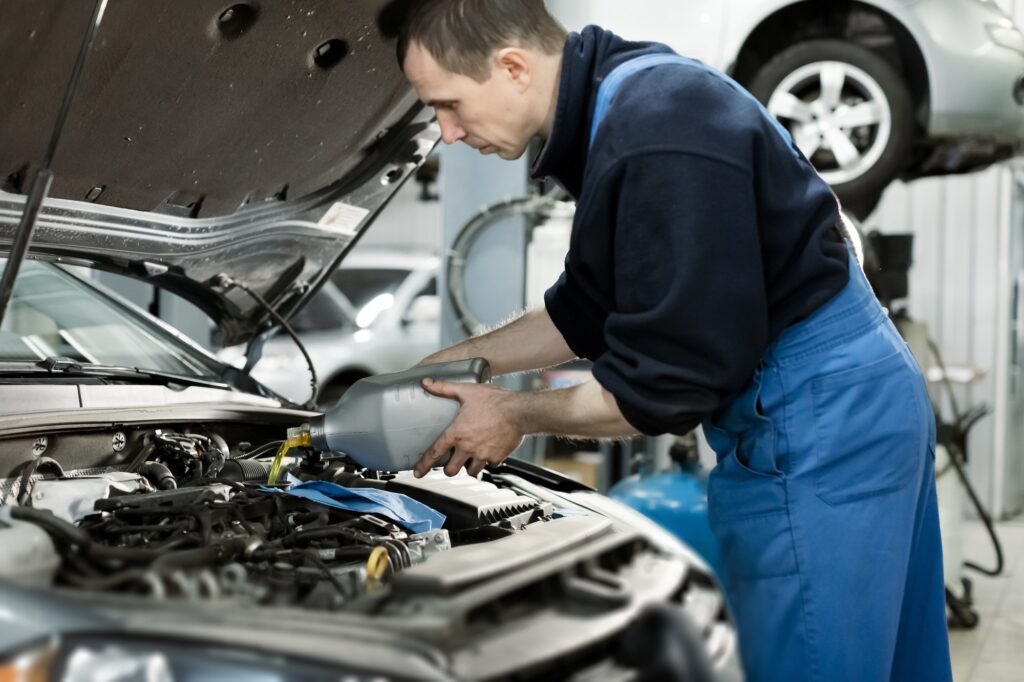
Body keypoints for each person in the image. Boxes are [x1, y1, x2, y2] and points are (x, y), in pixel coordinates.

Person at [395, 1, 952, 680]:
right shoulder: (626, 103)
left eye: (447, 105)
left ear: (512, 66)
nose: (446, 134)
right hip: (848, 399)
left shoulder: (654, 131)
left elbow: (666, 388)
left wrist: (512, 415)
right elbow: (584, 308)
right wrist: (456, 363)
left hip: (822, 419)